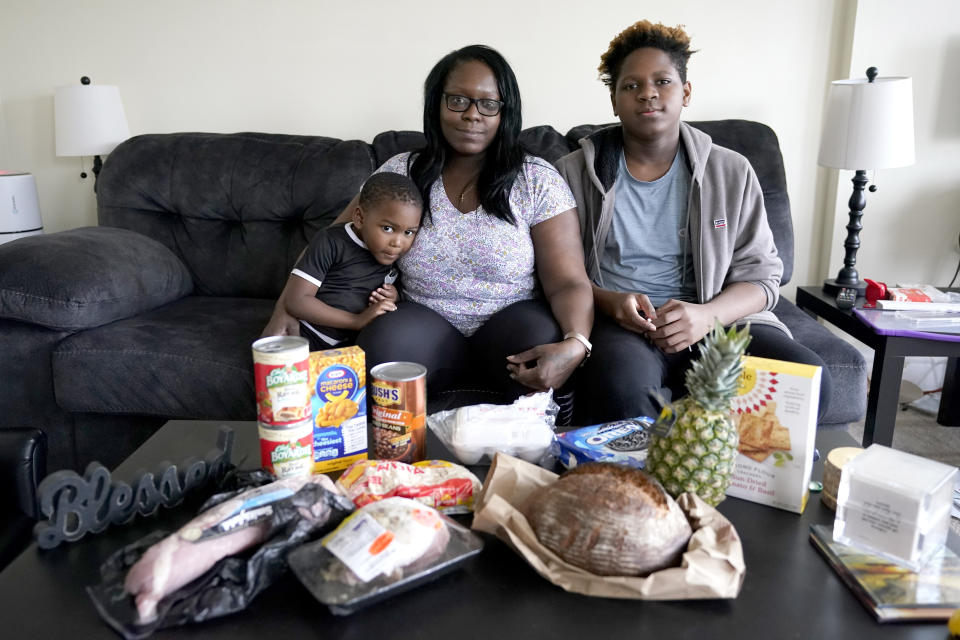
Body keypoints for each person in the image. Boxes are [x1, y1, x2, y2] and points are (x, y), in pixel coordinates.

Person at [267, 44, 593, 403]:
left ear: (505, 112)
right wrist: (286, 306)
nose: (473, 115)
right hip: (423, 317)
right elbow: (334, 242)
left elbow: (567, 281)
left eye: (488, 104)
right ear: (436, 104)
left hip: (512, 322)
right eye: (458, 100)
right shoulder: (401, 172)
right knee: (384, 346)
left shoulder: (536, 180)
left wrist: (577, 343)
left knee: (540, 337)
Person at [555, 20, 832, 423]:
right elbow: (557, 274)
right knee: (621, 390)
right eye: (630, 86)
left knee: (808, 383)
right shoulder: (574, 172)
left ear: (685, 92)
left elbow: (764, 277)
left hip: (719, 320)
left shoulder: (731, 171)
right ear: (614, 101)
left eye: (662, 81)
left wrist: (706, 316)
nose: (647, 92)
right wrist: (612, 303)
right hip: (623, 327)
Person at [276, 172, 422, 351]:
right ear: (360, 218)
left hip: (352, 349)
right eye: (388, 228)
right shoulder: (331, 241)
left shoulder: (391, 254)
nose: (398, 243)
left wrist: (393, 296)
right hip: (307, 338)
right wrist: (356, 321)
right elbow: (296, 301)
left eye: (409, 232)